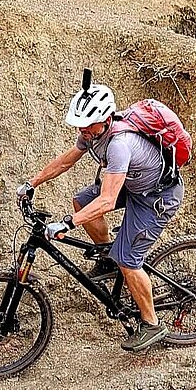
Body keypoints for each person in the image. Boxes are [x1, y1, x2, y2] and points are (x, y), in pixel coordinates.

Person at [16, 80, 184, 351]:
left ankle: (151, 323)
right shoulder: (92, 134)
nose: (83, 130)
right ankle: (107, 260)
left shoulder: (119, 144)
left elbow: (107, 200)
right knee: (81, 201)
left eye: (88, 124)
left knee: (128, 260)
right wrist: (32, 183)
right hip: (132, 185)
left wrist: (67, 224)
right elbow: (66, 161)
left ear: (106, 120)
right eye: (80, 124)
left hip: (156, 197)